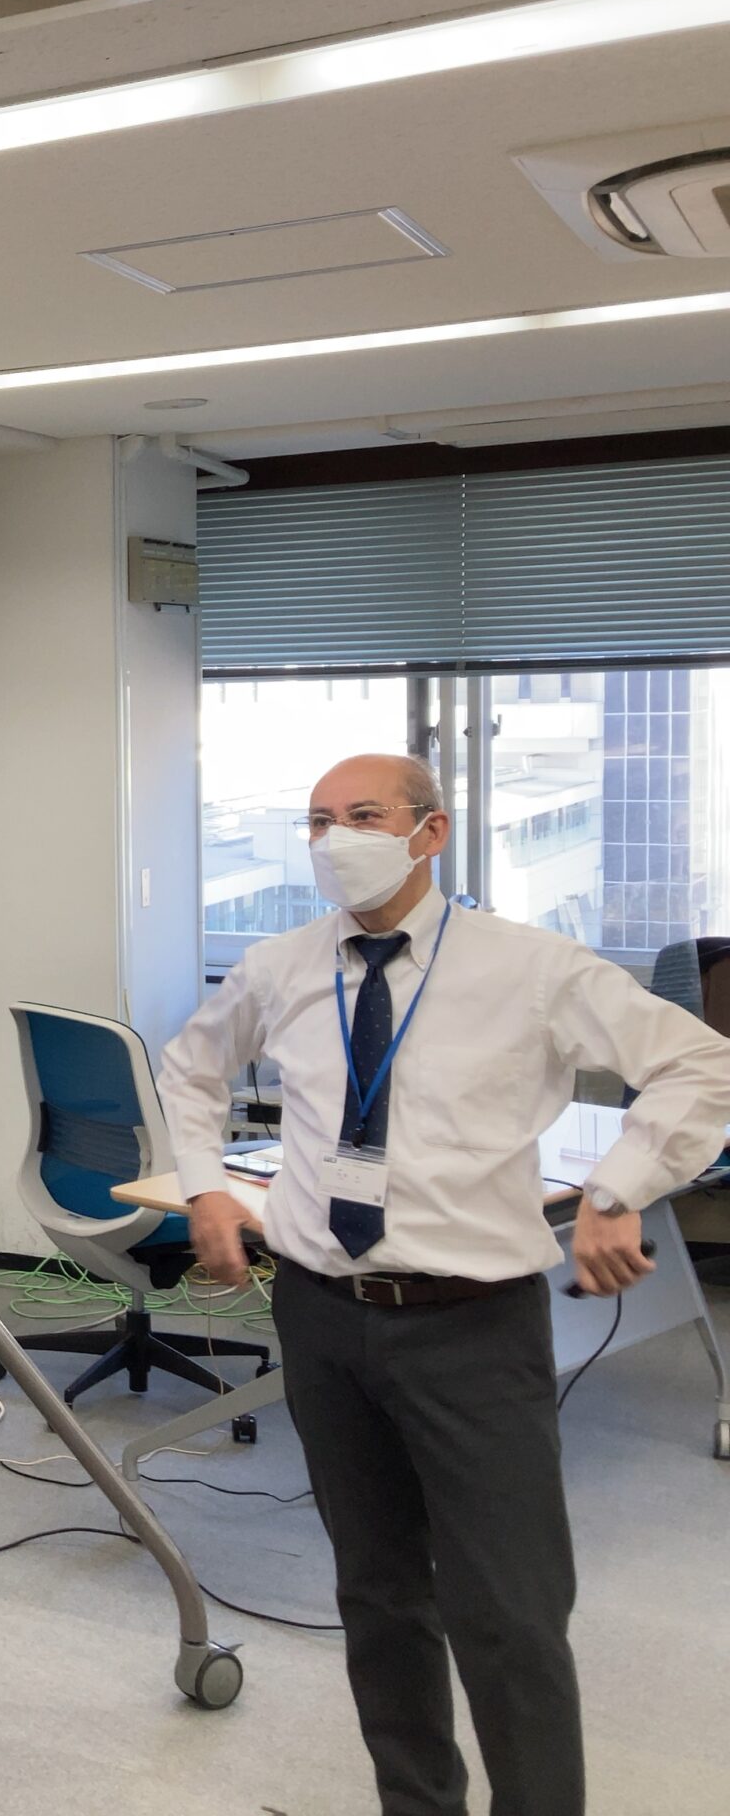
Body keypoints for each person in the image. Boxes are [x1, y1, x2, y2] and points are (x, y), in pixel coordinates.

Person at [157, 752, 730, 1816]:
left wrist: (620, 1187)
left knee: (510, 1615)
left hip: (472, 1328)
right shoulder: (281, 966)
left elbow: (700, 1064)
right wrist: (204, 1189)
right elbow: (189, 1068)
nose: (335, 839)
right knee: (377, 1596)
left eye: (363, 815)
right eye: (317, 820)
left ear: (430, 832)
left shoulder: (531, 966)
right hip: (322, 1315)